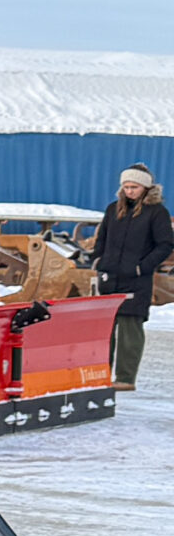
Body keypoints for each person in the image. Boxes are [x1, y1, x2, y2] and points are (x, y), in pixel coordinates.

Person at [94, 164, 171, 389]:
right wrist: (98, 259)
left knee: (129, 330)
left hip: (136, 280)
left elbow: (165, 244)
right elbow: (102, 238)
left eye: (134, 187)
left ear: (145, 187)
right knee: (104, 330)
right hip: (109, 277)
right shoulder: (112, 209)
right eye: (126, 186)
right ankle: (100, 375)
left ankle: (126, 378)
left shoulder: (157, 213)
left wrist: (142, 267)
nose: (129, 191)